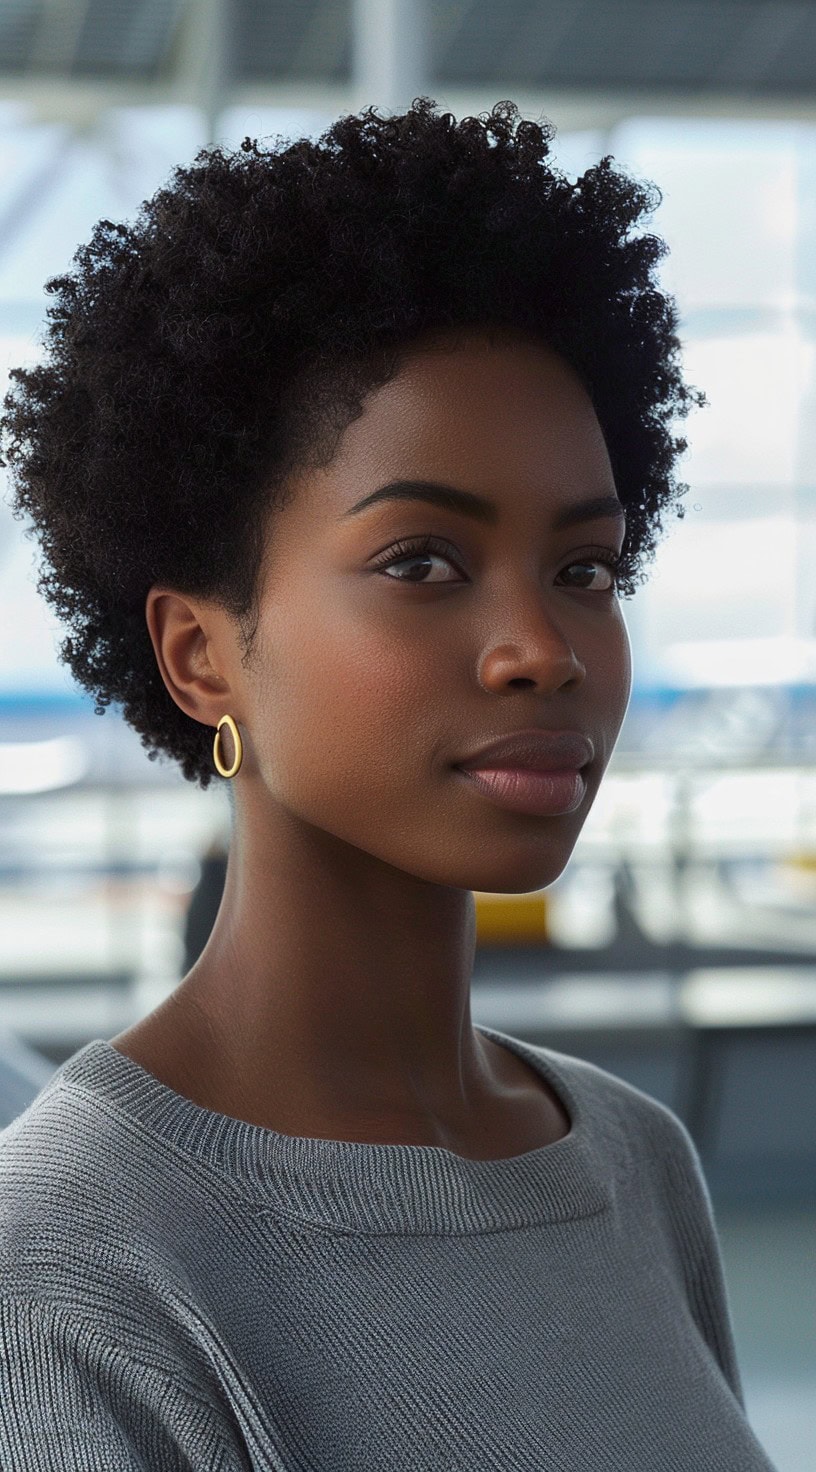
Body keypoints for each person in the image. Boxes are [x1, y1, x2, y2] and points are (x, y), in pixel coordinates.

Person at [0, 99, 777, 1469]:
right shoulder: (73, 1267)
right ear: (199, 655)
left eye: (585, 568)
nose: (543, 647)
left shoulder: (632, 1164)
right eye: (422, 561)